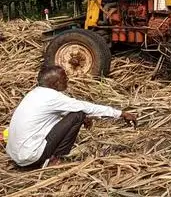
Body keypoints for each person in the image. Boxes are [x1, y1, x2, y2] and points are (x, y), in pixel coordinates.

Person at [6, 66, 137, 169]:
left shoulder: (34, 94)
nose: (68, 80)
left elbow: (54, 116)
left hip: (17, 156)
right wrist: (120, 113)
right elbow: (84, 107)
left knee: (78, 114)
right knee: (78, 114)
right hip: (31, 156)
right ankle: (55, 159)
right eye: (64, 78)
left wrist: (85, 116)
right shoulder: (52, 97)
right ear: (55, 83)